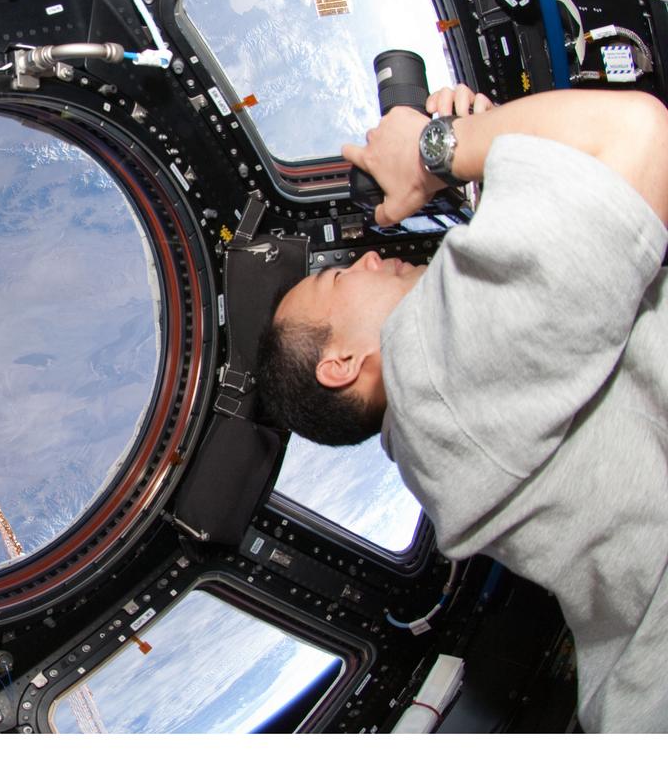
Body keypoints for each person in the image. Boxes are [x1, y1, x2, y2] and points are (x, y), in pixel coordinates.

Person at [256, 83, 668, 732]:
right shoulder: (435, 373)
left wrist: (491, 154)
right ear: (340, 365)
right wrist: (433, 151)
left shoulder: (445, 426)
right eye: (336, 281)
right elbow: (637, 132)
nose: (366, 258)